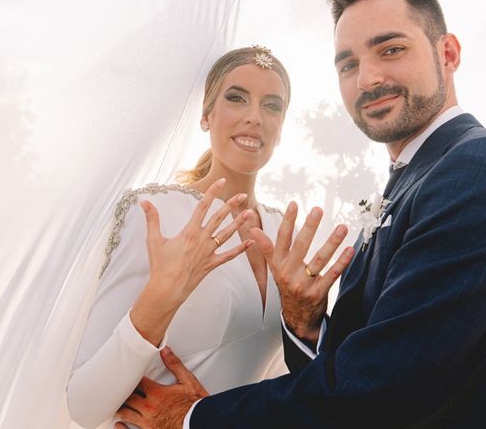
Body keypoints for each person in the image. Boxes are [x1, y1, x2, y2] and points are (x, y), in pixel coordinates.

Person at [119, 0, 486, 428]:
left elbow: (383, 389)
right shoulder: (417, 177)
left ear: (448, 53)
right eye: (348, 64)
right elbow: (358, 362)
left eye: (391, 50)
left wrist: (195, 418)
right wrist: (307, 322)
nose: (368, 78)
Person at [67, 46, 316, 429]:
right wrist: (160, 299)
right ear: (205, 116)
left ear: (281, 128)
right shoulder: (155, 214)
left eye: (272, 105)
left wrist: (204, 418)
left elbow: (287, 390)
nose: (255, 117)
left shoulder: (287, 236)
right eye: (236, 98)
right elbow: (83, 406)